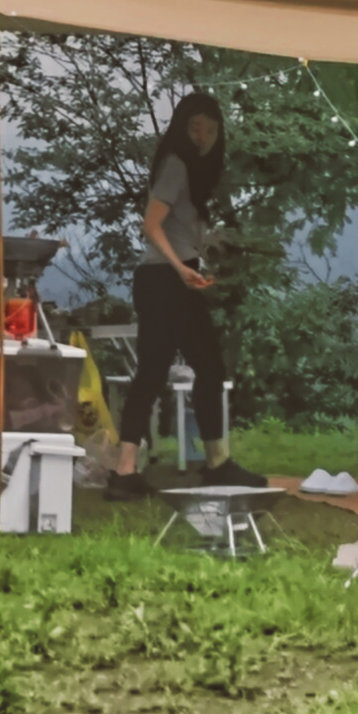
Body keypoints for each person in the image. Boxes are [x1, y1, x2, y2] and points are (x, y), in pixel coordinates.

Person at [122, 90, 246, 491]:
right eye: (195, 127)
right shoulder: (176, 165)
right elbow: (151, 224)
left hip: (172, 277)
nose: (202, 136)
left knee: (198, 368)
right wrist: (180, 269)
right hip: (164, 279)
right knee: (165, 372)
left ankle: (211, 463)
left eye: (210, 130)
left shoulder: (192, 172)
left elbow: (178, 228)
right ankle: (129, 471)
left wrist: (204, 251)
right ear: (181, 127)